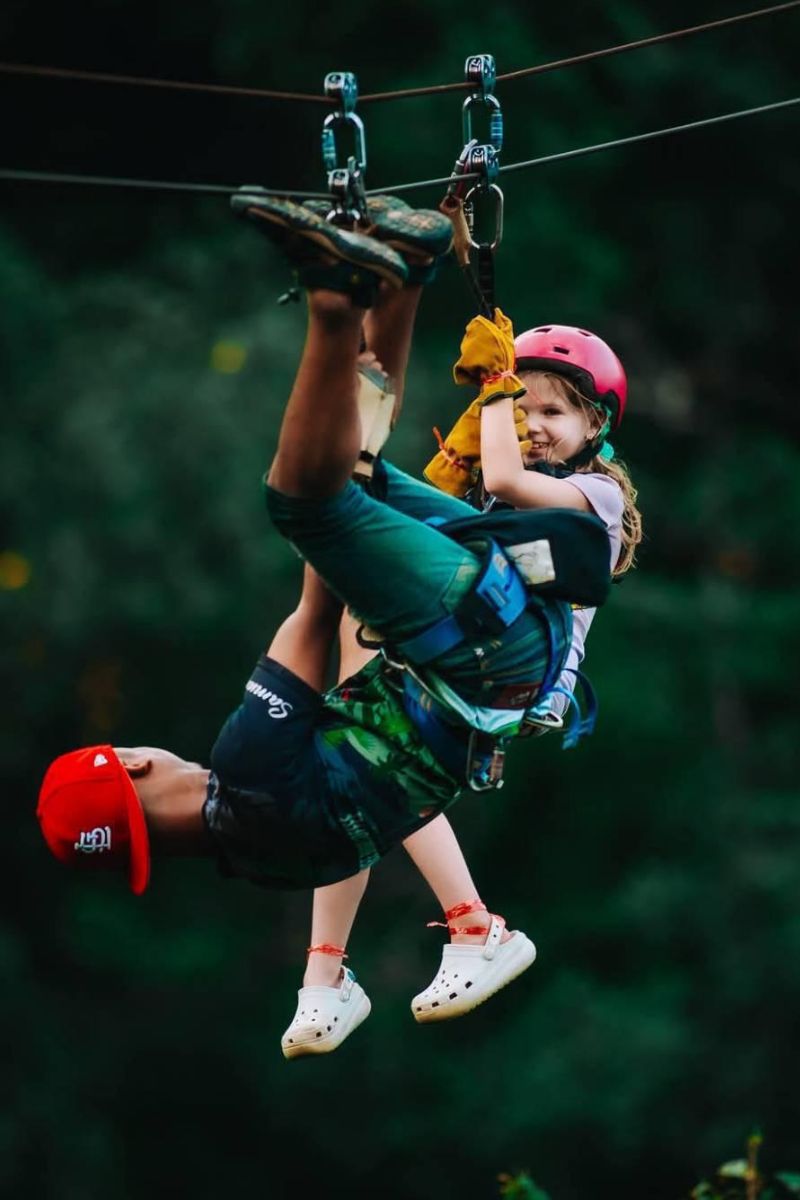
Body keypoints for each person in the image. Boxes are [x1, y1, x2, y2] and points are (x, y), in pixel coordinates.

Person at [36, 192, 616, 1055]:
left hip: (476, 675)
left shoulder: (275, 860)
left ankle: (401, 275)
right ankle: (337, 296)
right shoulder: (248, 768)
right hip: (490, 651)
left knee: (346, 478)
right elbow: (319, 598)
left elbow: (372, 808)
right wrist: (345, 350)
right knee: (302, 500)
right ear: (135, 765)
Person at [288, 292, 643, 1057]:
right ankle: (328, 972)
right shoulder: (494, 479)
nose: (537, 424)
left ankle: (477, 926)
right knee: (353, 768)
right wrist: (455, 459)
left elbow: (513, 486)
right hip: (466, 657)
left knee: (355, 632)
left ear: (597, 429)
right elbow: (425, 509)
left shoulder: (596, 495)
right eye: (530, 407)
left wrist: (497, 393)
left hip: (515, 665)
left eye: (557, 413)